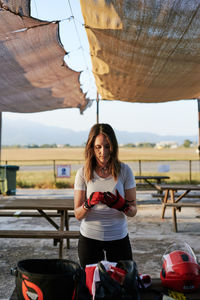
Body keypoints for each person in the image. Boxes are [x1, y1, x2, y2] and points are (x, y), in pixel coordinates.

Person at [74, 123, 137, 268]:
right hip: (90, 238)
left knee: (122, 285)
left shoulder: (125, 171)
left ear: (114, 146)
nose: (103, 152)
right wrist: (88, 204)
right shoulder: (83, 173)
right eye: (98, 147)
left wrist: (123, 206)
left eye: (107, 146)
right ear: (91, 147)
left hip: (118, 237)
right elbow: (78, 214)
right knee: (92, 287)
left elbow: (133, 211)